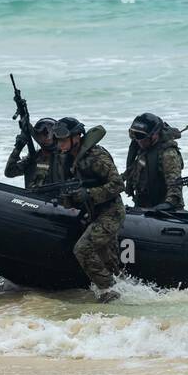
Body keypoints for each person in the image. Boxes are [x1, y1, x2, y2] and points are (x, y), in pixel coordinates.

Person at [54, 117, 126, 302]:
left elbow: (118, 184)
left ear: (77, 137)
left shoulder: (96, 156)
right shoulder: (66, 159)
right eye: (58, 140)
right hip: (93, 213)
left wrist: (90, 194)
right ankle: (123, 298)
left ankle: (108, 291)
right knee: (109, 263)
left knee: (83, 249)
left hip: (111, 212)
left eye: (63, 139)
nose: (60, 144)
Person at [124, 112, 184, 211]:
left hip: (165, 210)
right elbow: (132, 171)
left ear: (155, 134)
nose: (139, 141)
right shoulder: (144, 148)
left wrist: (168, 204)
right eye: (135, 136)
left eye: (142, 137)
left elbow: (175, 184)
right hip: (143, 206)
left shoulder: (168, 154)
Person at [4, 117, 65, 190]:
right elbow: (9, 172)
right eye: (42, 134)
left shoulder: (63, 158)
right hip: (32, 199)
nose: (47, 138)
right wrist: (18, 148)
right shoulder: (33, 157)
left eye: (49, 133)